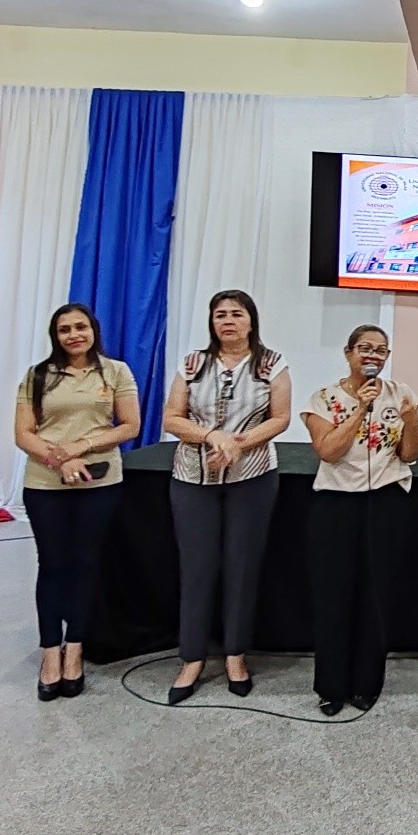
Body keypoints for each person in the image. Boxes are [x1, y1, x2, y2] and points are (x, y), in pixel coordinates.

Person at [160, 290, 292, 704]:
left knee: (242, 567)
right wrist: (212, 437)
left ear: (251, 320)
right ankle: (192, 658)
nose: (228, 321)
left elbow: (281, 418)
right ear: (211, 322)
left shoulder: (272, 364)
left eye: (237, 314)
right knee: (196, 569)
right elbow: (171, 418)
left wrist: (238, 444)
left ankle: (236, 656)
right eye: (220, 315)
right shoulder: (192, 364)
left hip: (252, 477)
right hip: (192, 477)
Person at [11, 303, 140, 701]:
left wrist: (80, 447)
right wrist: (60, 460)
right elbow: (23, 433)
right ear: (56, 336)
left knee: (86, 564)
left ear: (93, 330)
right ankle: (51, 653)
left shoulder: (115, 371)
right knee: (52, 565)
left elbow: (130, 426)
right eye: (64, 329)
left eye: (80, 327)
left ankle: (75, 651)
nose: (74, 335)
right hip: (45, 483)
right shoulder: (37, 375)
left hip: (100, 482)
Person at [300, 324, 418, 717]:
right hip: (336, 504)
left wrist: (411, 421)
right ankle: (331, 687)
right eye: (365, 348)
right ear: (348, 352)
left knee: (377, 595)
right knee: (333, 595)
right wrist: (360, 409)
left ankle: (367, 684)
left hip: (385, 501)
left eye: (381, 350)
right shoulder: (323, 398)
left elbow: (409, 454)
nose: (373, 356)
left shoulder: (400, 393)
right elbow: (328, 451)